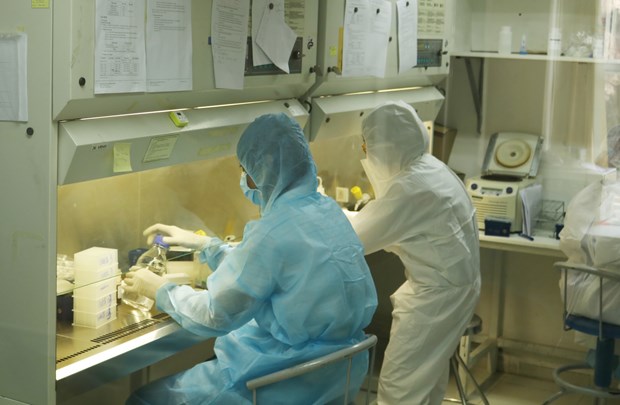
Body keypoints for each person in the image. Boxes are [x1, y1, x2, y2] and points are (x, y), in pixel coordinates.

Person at [123, 112, 377, 404]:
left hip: (281, 381)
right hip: (336, 375)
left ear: (263, 171)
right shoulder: (325, 210)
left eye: (245, 169)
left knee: (144, 400)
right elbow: (272, 269)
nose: (244, 179)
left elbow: (214, 315)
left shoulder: (272, 232)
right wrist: (207, 246)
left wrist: (158, 289)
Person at [347, 101, 481, 404]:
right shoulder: (431, 168)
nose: (366, 153)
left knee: (401, 386)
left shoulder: (411, 187)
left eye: (368, 146)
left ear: (385, 146)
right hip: (452, 289)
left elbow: (352, 240)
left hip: (436, 300)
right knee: (425, 382)